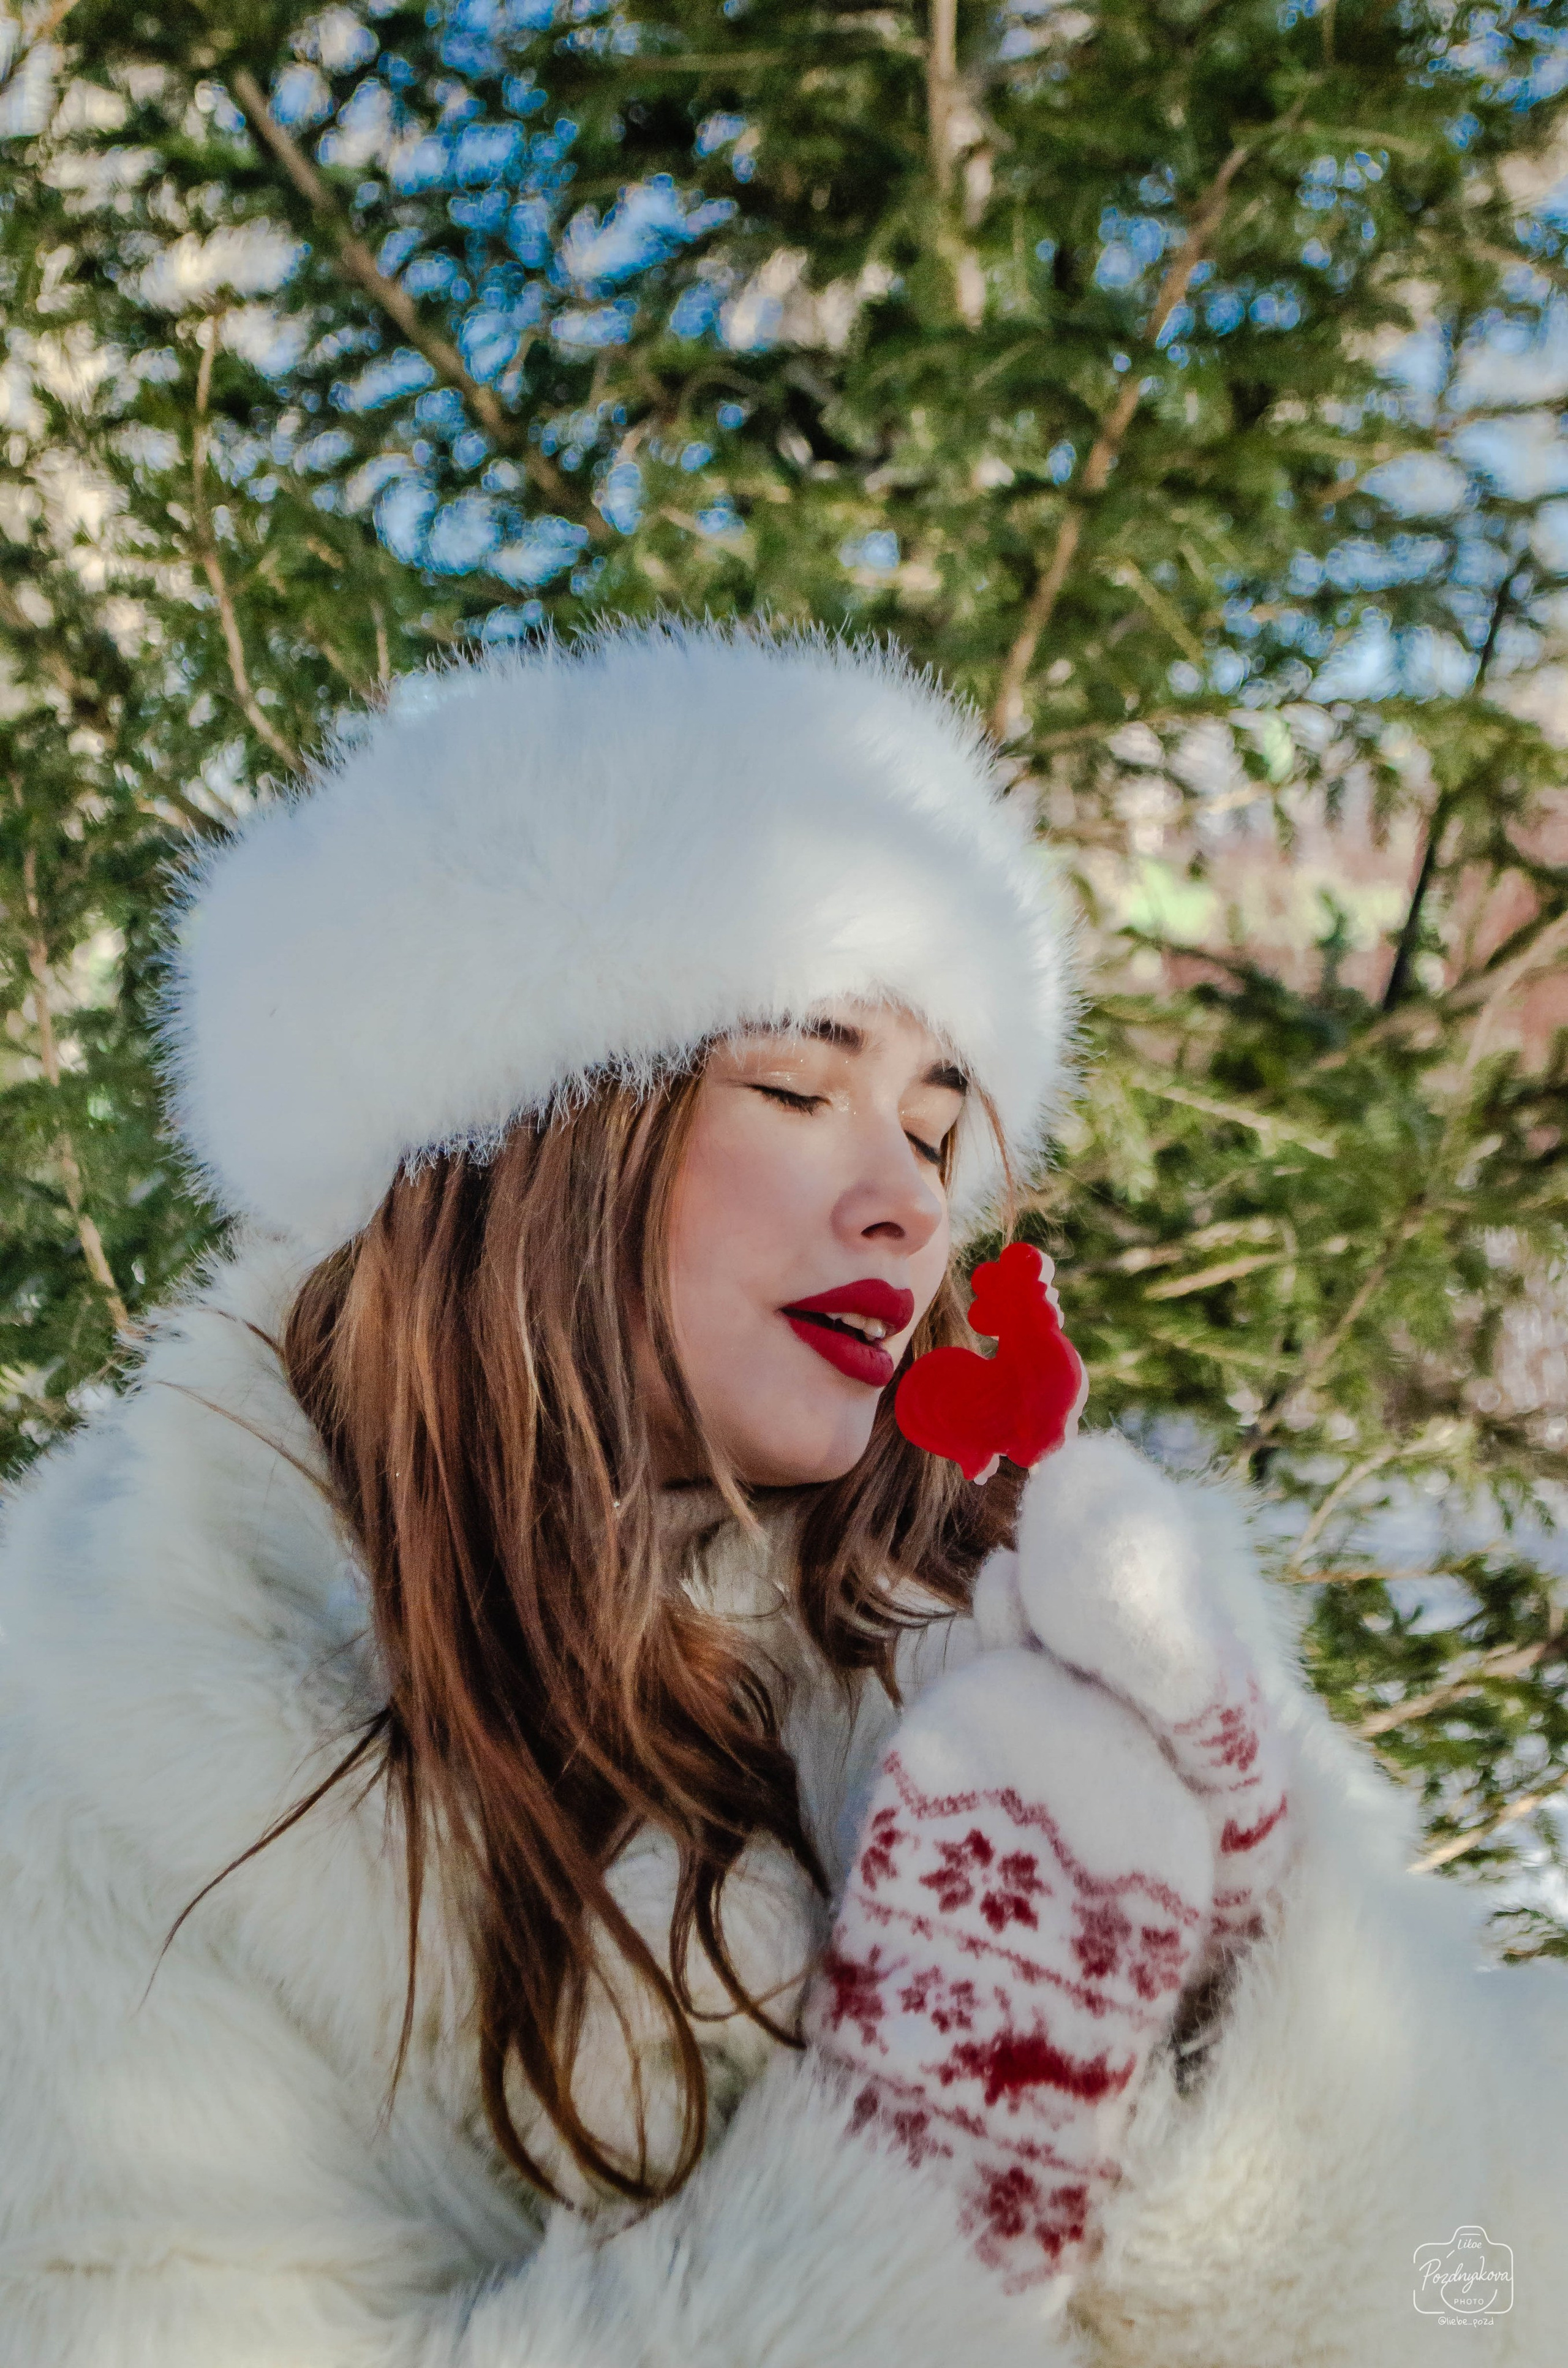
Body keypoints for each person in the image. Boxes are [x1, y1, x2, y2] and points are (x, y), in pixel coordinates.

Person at [0, 620, 1562, 2367]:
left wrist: (1244, 1982)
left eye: (936, 1121)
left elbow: (1493, 2295)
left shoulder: (1027, 1618)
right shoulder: (100, 1725)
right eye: (802, 1088)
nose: (908, 1199)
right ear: (531, 1142)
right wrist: (911, 2187)